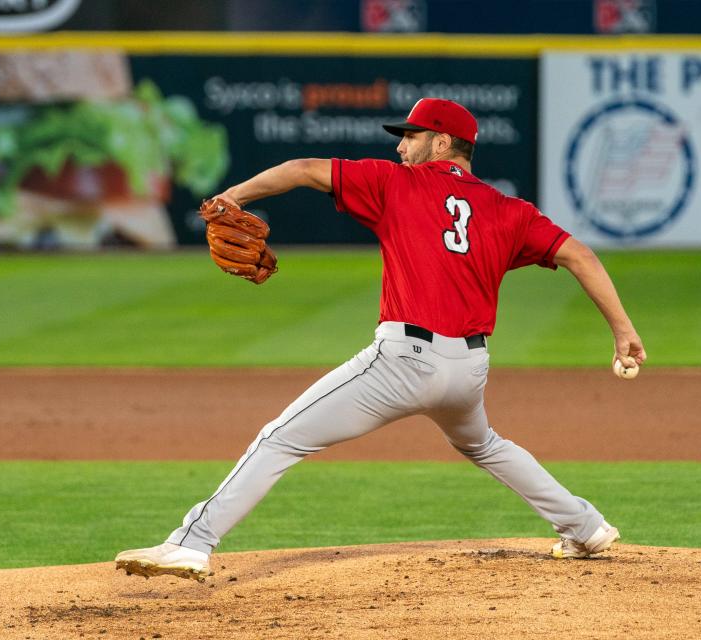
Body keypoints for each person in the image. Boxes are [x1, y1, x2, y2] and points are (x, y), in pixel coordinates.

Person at [115, 98, 647, 581]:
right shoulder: (509, 211)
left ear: (441, 143)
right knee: (483, 444)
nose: (400, 146)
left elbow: (301, 170)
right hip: (468, 371)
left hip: (403, 362)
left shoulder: (397, 183)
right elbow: (580, 253)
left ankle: (191, 542)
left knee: (281, 437)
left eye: (410, 136)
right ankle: (585, 526)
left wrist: (232, 196)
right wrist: (623, 331)